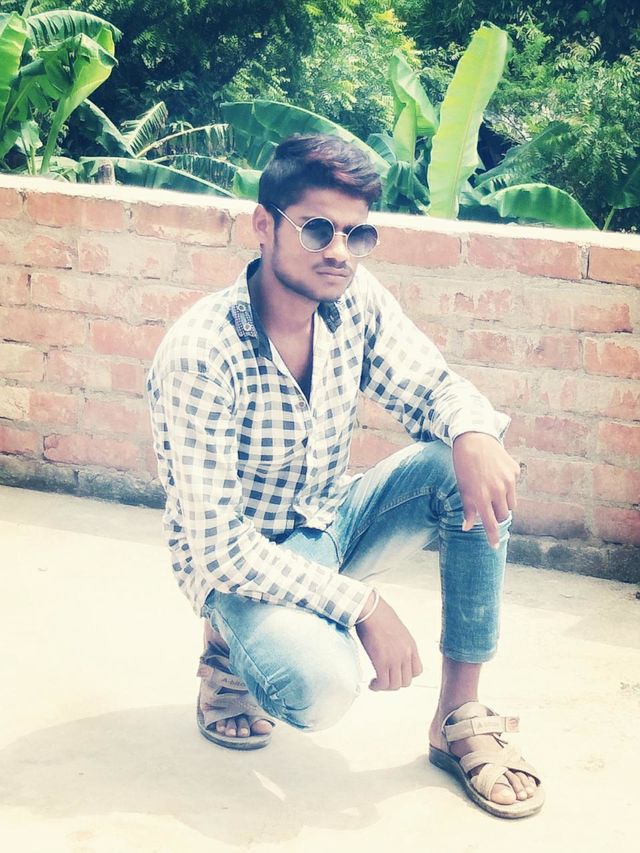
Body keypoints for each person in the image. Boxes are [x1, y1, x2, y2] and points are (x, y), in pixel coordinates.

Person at [147, 134, 544, 819]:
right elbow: (218, 546)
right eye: (318, 229)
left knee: (470, 467)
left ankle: (459, 717)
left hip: (331, 521)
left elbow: (431, 385)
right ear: (264, 225)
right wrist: (360, 605)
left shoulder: (354, 299)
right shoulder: (200, 353)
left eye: (357, 234)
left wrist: (473, 431)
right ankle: (226, 644)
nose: (339, 251)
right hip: (240, 564)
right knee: (320, 686)